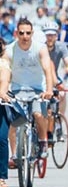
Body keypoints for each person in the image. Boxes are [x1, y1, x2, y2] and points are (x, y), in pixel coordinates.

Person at [6, 18, 54, 162]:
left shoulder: (40, 48)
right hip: (16, 90)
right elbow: (5, 71)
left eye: (28, 33)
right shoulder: (10, 50)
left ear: (32, 33)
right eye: (21, 33)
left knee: (39, 115)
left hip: (37, 89)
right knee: (14, 123)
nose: (25, 36)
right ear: (16, 33)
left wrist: (49, 90)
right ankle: (14, 154)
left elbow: (47, 70)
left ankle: (43, 141)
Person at [0, 38, 10, 187]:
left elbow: (4, 84)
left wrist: (2, 93)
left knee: (1, 139)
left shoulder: (3, 65)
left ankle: (1, 177)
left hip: (1, 106)